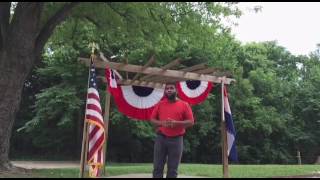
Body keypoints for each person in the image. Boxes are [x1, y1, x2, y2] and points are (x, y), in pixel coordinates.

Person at [150, 82, 194, 178]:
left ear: (176, 90)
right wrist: (162, 123)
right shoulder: (160, 104)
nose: (169, 90)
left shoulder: (184, 104)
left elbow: (191, 122)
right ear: (165, 91)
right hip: (161, 138)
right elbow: (152, 120)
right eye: (167, 89)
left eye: (171, 88)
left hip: (177, 140)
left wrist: (176, 123)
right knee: (157, 167)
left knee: (173, 169)